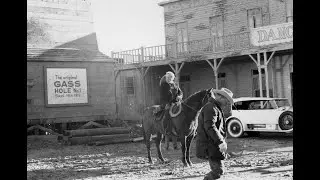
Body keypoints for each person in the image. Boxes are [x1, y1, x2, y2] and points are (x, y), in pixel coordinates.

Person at [196, 88, 234, 180]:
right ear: (220, 97)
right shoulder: (211, 108)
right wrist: (220, 141)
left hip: (212, 145)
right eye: (227, 100)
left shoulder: (214, 107)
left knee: (218, 171)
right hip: (210, 145)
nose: (227, 103)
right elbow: (210, 127)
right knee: (218, 171)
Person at [159, 71, 183, 136]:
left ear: (172, 78)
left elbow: (180, 92)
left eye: (170, 77)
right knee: (167, 112)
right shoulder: (163, 85)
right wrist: (167, 103)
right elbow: (162, 96)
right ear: (166, 77)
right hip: (166, 103)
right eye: (168, 77)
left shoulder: (175, 84)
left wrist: (179, 96)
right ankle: (166, 129)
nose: (169, 79)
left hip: (176, 103)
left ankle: (180, 128)